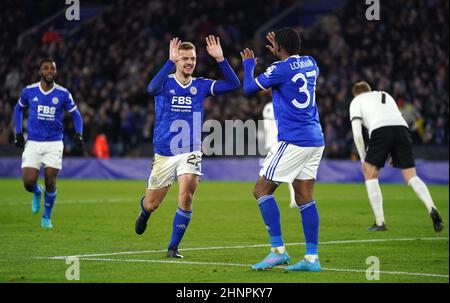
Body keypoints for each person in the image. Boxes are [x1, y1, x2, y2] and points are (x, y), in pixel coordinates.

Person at [134, 36, 240, 258]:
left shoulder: (200, 85)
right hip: (164, 152)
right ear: (177, 60)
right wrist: (168, 62)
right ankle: (145, 212)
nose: (189, 62)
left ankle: (173, 248)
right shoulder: (165, 83)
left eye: (192, 58)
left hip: (191, 150)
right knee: (152, 203)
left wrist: (220, 59)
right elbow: (151, 89)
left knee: (187, 195)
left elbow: (233, 84)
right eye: (184, 58)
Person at [241, 28, 324, 271]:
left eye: (276, 45)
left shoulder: (279, 69)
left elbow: (248, 88)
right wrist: (280, 52)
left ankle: (278, 251)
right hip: (315, 138)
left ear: (280, 47)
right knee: (304, 196)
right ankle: (312, 258)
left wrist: (248, 64)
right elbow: (290, 73)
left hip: (293, 139)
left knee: (261, 190)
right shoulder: (311, 63)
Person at [349, 81, 444, 232]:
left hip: (380, 130)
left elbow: (357, 135)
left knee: (370, 175)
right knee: (411, 176)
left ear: (356, 94)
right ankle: (431, 207)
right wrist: (393, 151)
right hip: (402, 130)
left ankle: (380, 222)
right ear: (370, 90)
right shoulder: (385, 95)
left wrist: (362, 159)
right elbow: (394, 119)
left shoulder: (356, 101)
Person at [13, 58, 84, 228]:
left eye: (52, 68)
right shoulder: (29, 91)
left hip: (54, 143)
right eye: (46, 68)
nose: (49, 71)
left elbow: (76, 114)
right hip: (33, 142)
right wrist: (17, 132)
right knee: (28, 182)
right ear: (40, 72)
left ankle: (46, 217)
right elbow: (18, 109)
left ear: (56, 72)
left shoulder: (63, 93)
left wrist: (79, 134)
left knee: (50, 179)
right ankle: (37, 192)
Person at [262, 101, 297, 208]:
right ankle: (294, 200)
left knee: (267, 175)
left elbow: (266, 128)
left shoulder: (266, 106)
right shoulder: (285, 104)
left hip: (271, 144)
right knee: (291, 173)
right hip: (281, 142)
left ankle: (265, 198)